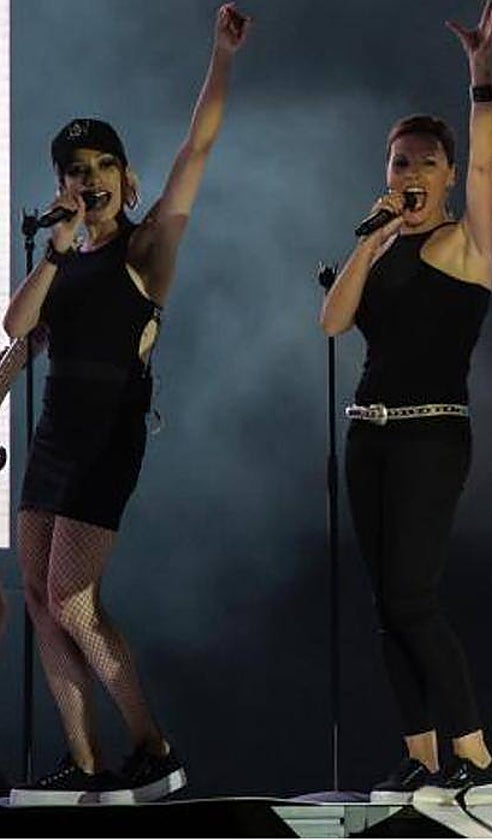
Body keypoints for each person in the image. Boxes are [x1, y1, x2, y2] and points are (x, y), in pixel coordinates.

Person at [2, 4, 250, 806]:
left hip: (109, 436)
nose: (90, 179)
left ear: (125, 175)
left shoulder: (147, 248)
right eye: (77, 170)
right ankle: (84, 764)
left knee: (74, 598)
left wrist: (220, 57)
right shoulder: (64, 256)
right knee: (40, 599)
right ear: (61, 184)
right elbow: (18, 328)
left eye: (103, 165)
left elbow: (199, 146)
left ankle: (153, 745)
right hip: (52, 439)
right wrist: (55, 250)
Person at [318, 0, 492, 804]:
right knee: (384, 604)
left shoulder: (467, 242)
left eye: (427, 162)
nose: (412, 175)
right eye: (400, 163)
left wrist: (480, 75)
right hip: (369, 435)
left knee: (412, 594)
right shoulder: (380, 245)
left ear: (449, 174)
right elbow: (332, 322)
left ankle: (479, 756)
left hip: (434, 436)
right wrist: (371, 237)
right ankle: (424, 760)